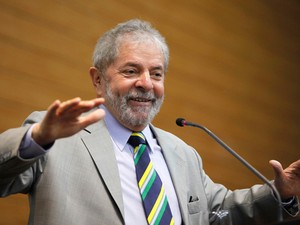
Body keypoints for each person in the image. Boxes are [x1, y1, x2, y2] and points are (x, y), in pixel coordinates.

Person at [0, 19, 299, 225]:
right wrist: (36, 139)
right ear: (98, 80)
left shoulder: (183, 154)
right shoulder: (53, 137)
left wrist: (280, 194)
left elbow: (217, 211)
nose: (146, 83)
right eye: (131, 71)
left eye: (156, 74)